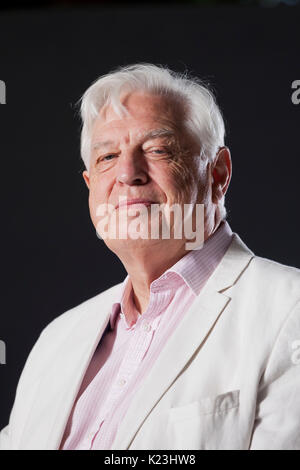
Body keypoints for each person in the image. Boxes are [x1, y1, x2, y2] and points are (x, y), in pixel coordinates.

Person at [1, 64, 300, 450]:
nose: (127, 173)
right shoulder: (57, 339)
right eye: (107, 156)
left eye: (158, 150)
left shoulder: (290, 311)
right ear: (91, 186)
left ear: (218, 173)